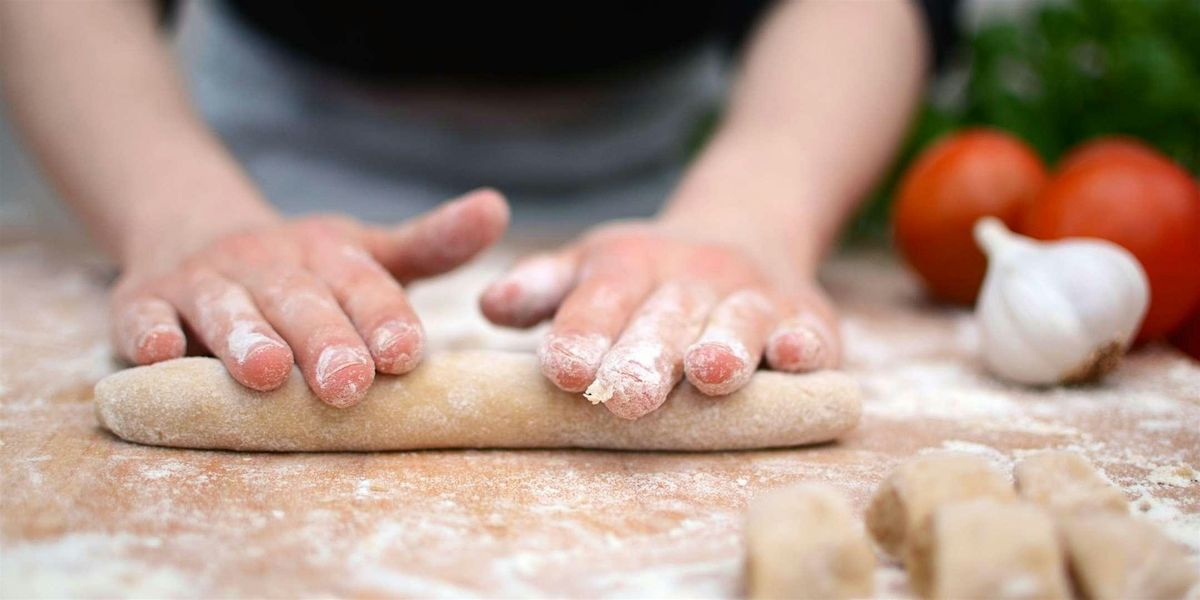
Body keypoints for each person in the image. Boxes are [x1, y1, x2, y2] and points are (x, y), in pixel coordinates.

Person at [0, 1, 952, 418]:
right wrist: (176, 212)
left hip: (660, 186)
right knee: (260, 333)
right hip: (256, 159)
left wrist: (754, 214)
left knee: (667, 343)